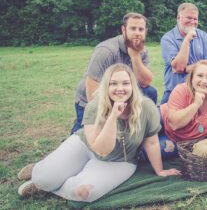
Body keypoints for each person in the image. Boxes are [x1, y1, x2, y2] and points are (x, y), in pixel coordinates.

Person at [17, 64, 180, 202]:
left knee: (83, 193)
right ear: (106, 86)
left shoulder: (146, 107)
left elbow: (151, 142)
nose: (120, 89)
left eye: (125, 83)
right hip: (86, 146)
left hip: (120, 160)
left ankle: (50, 185)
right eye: (113, 84)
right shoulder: (95, 106)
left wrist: (159, 170)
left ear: (133, 85)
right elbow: (101, 149)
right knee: (43, 177)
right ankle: (42, 176)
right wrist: (113, 117)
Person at [71, 12, 157, 134]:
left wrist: (135, 57)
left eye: (141, 29)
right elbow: (91, 86)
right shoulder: (106, 50)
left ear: (145, 32)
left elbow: (145, 82)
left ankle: (142, 132)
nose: (137, 33)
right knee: (85, 137)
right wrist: (103, 114)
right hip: (90, 99)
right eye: (133, 28)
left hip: (119, 94)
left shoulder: (142, 50)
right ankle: (74, 137)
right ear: (123, 30)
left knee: (150, 92)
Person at [160, 60, 207, 147]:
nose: (204, 81)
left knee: (148, 151)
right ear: (192, 78)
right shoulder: (181, 90)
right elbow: (174, 124)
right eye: (199, 76)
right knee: (143, 133)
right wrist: (196, 104)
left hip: (179, 141)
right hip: (162, 120)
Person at [160, 3, 207, 104]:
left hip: (199, 92)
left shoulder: (204, 37)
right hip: (174, 91)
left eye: (195, 19)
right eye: (189, 18)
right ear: (178, 17)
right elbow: (179, 67)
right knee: (166, 118)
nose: (192, 22)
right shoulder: (167, 39)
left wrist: (187, 68)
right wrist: (188, 38)